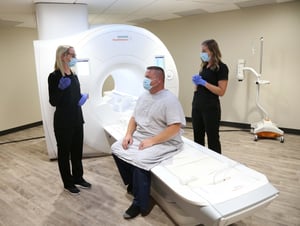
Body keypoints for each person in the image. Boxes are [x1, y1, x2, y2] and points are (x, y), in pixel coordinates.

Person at [111, 66, 186, 219]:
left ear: (158, 80)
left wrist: (152, 141)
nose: (144, 80)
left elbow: (175, 128)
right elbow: (134, 118)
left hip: (165, 141)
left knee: (140, 159)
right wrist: (128, 135)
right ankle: (133, 184)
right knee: (117, 148)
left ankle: (140, 204)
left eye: (147, 77)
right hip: (142, 137)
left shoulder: (169, 100)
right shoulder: (144, 96)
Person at [48, 45, 91, 195]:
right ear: (63, 56)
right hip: (63, 121)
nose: (74, 58)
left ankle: (78, 177)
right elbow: (53, 101)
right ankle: (68, 182)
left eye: (74, 54)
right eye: (72, 55)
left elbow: (75, 96)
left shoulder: (74, 75)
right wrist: (60, 89)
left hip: (77, 118)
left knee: (77, 151)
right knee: (64, 153)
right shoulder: (54, 77)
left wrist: (82, 99)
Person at [191, 39, 228, 154]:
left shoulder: (221, 68)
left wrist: (204, 83)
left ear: (212, 51)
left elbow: (221, 91)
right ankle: (200, 160)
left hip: (210, 108)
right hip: (197, 106)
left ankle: (216, 164)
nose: (201, 53)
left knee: (212, 139)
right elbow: (199, 88)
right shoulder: (204, 66)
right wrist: (197, 84)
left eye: (204, 50)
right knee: (197, 137)